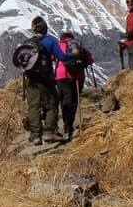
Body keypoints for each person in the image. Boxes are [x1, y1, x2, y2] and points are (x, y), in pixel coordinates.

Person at [24, 17, 77, 145]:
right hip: (45, 78)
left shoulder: (28, 42)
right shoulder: (50, 41)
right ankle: (49, 133)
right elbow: (62, 57)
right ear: (45, 28)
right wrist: (74, 54)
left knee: (33, 106)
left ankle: (36, 135)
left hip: (30, 79)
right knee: (51, 104)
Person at [54, 32, 94, 141]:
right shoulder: (78, 45)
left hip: (62, 76)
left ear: (62, 39)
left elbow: (53, 57)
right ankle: (69, 126)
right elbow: (90, 60)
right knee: (74, 102)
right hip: (78, 77)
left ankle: (67, 127)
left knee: (65, 102)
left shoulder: (59, 45)